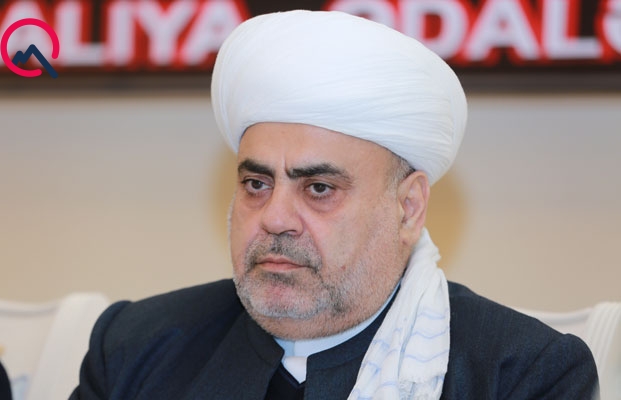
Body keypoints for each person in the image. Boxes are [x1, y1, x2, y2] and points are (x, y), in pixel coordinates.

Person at [70, 10, 598, 400]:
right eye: (256, 183)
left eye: (319, 188)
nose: (275, 218)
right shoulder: (136, 348)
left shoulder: (522, 376)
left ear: (409, 208)